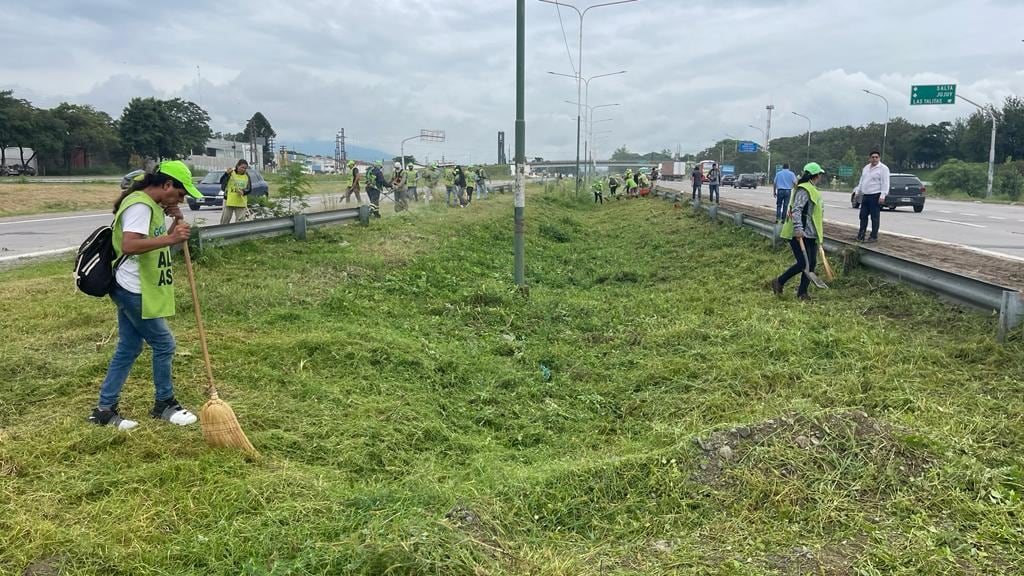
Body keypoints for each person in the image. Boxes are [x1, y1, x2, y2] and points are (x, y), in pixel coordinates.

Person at [89, 161, 203, 430]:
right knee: (165, 344)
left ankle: (104, 410)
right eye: (179, 193)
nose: (182, 199)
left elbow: (149, 241)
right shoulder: (140, 205)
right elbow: (130, 244)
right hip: (131, 288)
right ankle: (164, 403)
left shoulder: (151, 206)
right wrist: (171, 239)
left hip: (135, 286)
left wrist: (171, 223)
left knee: (129, 348)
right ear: (166, 185)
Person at [772, 162, 826, 301]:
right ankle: (779, 281)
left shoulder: (813, 189)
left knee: (811, 263)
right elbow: (796, 210)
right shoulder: (804, 189)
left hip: (811, 233)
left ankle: (802, 293)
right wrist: (798, 229)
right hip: (799, 233)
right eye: (820, 174)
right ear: (817, 175)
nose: (820, 176)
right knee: (803, 263)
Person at [854, 150, 890, 243]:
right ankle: (861, 235)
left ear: (879, 158)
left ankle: (873, 236)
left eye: (876, 157)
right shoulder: (866, 168)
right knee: (862, 215)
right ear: (869, 158)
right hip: (866, 195)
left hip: (875, 195)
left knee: (874, 217)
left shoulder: (883, 168)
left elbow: (885, 183)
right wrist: (858, 191)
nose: (874, 159)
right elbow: (862, 181)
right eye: (873, 157)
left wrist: (883, 195)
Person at [219, 159, 252, 224]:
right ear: (237, 166)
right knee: (225, 220)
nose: (243, 169)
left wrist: (243, 192)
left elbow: (249, 189)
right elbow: (221, 182)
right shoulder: (231, 173)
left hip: (241, 202)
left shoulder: (247, 176)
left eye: (245, 168)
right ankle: (222, 233)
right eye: (242, 167)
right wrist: (226, 174)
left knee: (240, 221)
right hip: (229, 201)